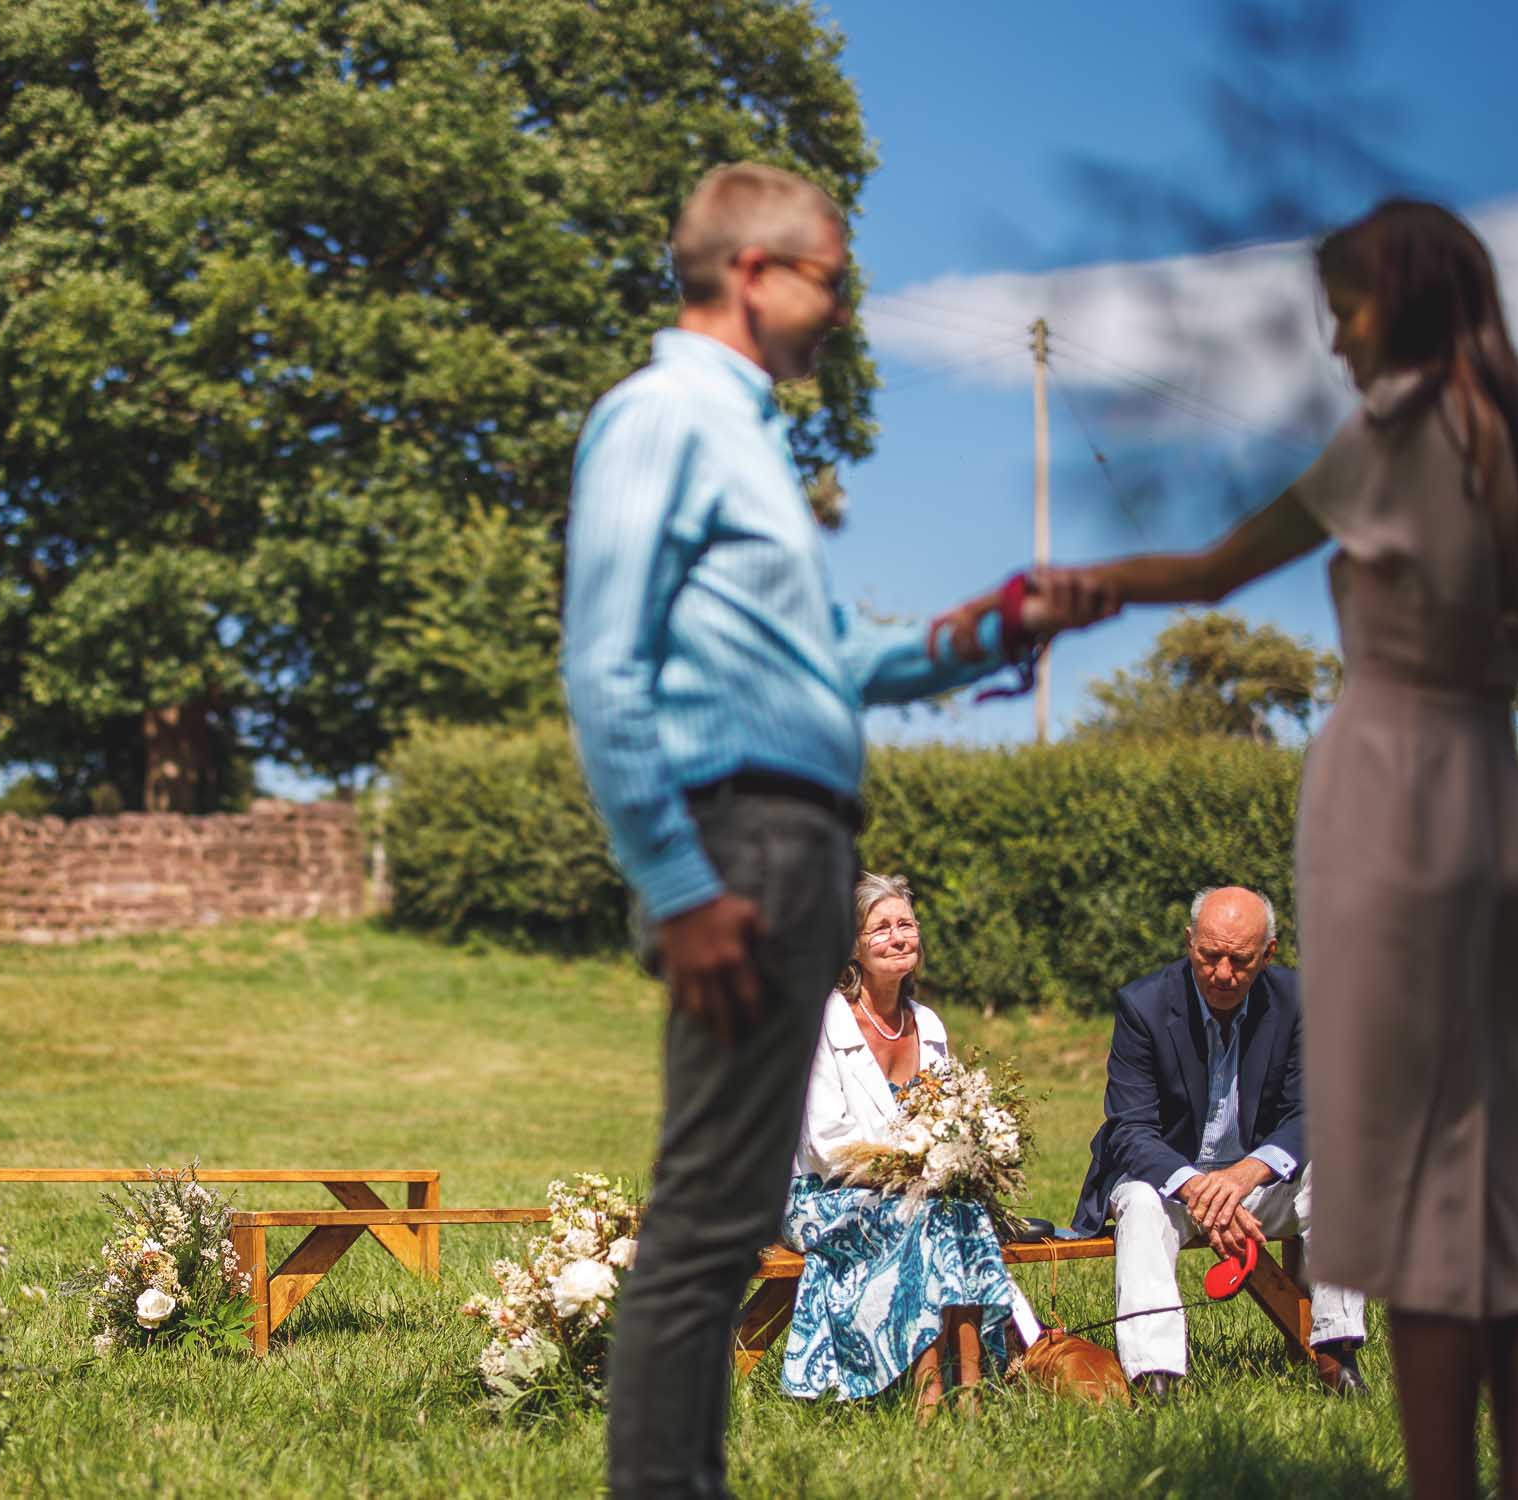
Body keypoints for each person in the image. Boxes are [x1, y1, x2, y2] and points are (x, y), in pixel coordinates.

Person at [561, 160, 1109, 1498]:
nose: (843, 308)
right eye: (831, 277)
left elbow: (836, 657)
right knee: (705, 1219)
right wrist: (679, 888)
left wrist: (991, 627)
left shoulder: (749, 444)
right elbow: (601, 663)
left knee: (729, 1209)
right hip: (735, 843)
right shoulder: (661, 419)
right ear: (752, 273)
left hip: (796, 844)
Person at [1051, 199, 1518, 1500]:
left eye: (1344, 309)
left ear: (1395, 304)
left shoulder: (1390, 438)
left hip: (1388, 822)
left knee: (1397, 1201)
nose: (1336, 342)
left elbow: (1219, 567)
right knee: (1498, 1209)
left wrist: (1075, 590)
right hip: (1497, 823)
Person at [1068, 886, 1366, 1399]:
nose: (1223, 973)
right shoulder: (1143, 1005)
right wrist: (1203, 1191)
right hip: (1169, 1184)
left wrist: (1243, 1176)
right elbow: (1130, 1128)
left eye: (1240, 960)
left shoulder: (1301, 1003)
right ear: (1189, 943)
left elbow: (1310, 1111)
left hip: (1259, 1184)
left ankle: (1338, 1354)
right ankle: (1154, 1374)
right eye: (1210, 956)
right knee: (1139, 1204)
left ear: (1268, 954)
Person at [780, 872, 1044, 1401]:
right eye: (881, 928)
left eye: (907, 925)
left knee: (960, 1211)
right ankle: (923, 1388)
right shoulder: (822, 1022)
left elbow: (945, 1118)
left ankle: (971, 1386)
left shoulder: (929, 1024)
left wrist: (958, 1158)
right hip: (821, 1195)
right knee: (926, 1214)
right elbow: (825, 1146)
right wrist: (915, 1171)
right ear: (853, 947)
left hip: (915, 1192)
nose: (899, 937)